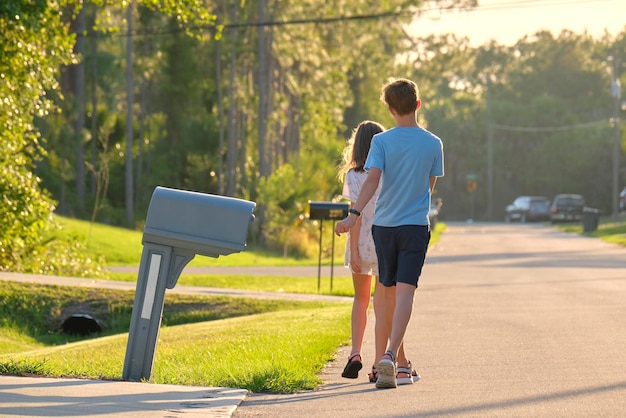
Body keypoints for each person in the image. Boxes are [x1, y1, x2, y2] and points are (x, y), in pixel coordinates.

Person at [335, 77, 444, 389]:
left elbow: (370, 182)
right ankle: (391, 358)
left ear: (390, 109)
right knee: (404, 293)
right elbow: (429, 185)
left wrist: (353, 216)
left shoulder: (381, 143)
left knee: (382, 294)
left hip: (383, 228)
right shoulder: (433, 143)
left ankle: (389, 359)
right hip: (413, 226)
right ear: (418, 105)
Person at [337, 120, 419, 385]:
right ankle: (378, 364)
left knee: (360, 300)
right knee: (385, 306)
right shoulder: (386, 173)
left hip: (360, 245)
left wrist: (355, 254)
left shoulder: (353, 175)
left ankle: (354, 353)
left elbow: (355, 214)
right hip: (385, 242)